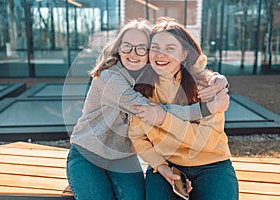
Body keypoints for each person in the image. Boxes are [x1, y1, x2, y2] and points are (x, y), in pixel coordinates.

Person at [66, 18, 229, 200]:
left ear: (148, 53)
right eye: (127, 46)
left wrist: (218, 79)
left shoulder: (146, 76)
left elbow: (190, 68)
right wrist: (205, 109)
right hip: (88, 154)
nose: (133, 53)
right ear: (118, 49)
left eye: (141, 48)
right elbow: (151, 112)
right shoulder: (111, 78)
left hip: (123, 158)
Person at [129, 17, 239, 200]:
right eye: (155, 48)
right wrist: (162, 167)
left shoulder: (207, 85)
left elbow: (205, 141)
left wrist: (163, 119)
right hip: (167, 165)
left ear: (184, 54)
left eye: (170, 49)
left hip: (213, 164)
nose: (160, 54)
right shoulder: (140, 89)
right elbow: (138, 137)